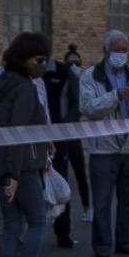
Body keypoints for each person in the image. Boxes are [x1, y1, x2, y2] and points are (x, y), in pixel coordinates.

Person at [0, 32, 55, 257]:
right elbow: (17, 135)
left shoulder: (1, 83)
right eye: (39, 59)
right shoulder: (24, 88)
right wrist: (14, 175)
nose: (44, 65)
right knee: (37, 222)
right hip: (21, 168)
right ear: (24, 59)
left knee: (12, 227)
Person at [79, 29, 129, 257]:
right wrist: (115, 96)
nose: (121, 54)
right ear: (105, 51)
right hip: (103, 148)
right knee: (102, 201)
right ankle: (102, 244)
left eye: (124, 50)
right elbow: (88, 108)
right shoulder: (90, 76)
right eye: (116, 50)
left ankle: (125, 241)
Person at [43, 46, 90, 234]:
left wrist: (64, 128)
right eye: (71, 63)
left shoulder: (64, 75)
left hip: (64, 137)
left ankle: (64, 231)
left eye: (77, 63)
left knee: (70, 175)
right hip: (35, 138)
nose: (74, 66)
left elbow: (76, 105)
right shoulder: (31, 75)